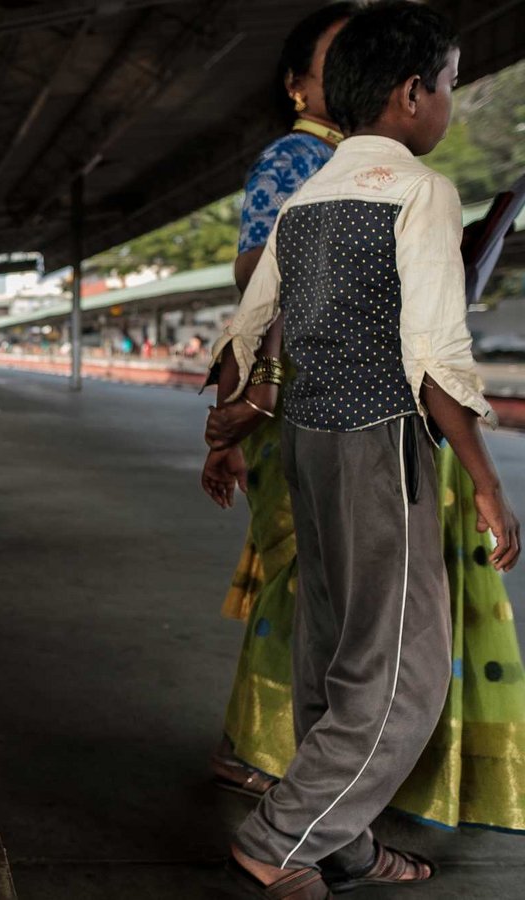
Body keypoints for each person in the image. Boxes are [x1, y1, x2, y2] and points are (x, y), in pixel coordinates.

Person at [204, 4, 521, 896]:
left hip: (307, 442)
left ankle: (343, 848)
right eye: (451, 85)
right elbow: (434, 356)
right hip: (382, 444)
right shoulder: (421, 191)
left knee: (334, 653)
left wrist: (228, 421)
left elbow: (251, 326)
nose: (449, 103)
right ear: (412, 93)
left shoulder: (306, 196)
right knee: (404, 679)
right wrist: (488, 484)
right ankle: (281, 838)